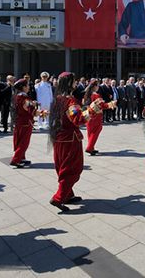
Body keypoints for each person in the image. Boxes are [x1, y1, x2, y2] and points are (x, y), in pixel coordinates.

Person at [48, 72, 96, 212]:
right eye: (74, 81)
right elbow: (78, 119)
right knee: (72, 169)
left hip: (59, 137)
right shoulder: (70, 101)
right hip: (70, 139)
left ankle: (68, 194)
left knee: (62, 167)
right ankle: (59, 197)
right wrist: (92, 110)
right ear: (69, 83)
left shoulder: (57, 98)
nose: (76, 83)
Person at [10, 78, 42, 168]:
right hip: (25, 122)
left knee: (20, 140)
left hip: (20, 121)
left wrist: (33, 104)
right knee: (24, 142)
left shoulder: (17, 96)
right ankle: (15, 160)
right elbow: (30, 109)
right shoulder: (23, 97)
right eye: (27, 85)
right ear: (23, 87)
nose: (28, 87)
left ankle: (21, 158)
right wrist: (41, 113)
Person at [83, 80, 117, 155]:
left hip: (88, 115)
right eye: (98, 85)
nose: (98, 87)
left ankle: (92, 148)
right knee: (96, 131)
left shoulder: (86, 94)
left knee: (90, 132)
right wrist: (112, 104)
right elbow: (103, 105)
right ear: (94, 86)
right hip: (96, 116)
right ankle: (89, 147)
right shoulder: (96, 95)